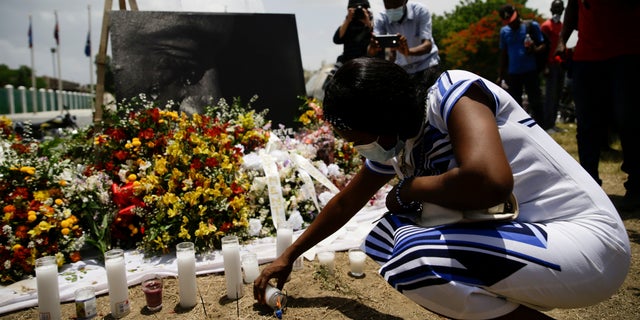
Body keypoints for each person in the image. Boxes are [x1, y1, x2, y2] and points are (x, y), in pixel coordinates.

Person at [253, 57, 630, 319]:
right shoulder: (401, 144)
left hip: (589, 243)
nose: (358, 148)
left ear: (385, 120)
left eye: (358, 138)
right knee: (385, 238)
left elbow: (490, 181)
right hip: (533, 239)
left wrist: (412, 189)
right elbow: (347, 201)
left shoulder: (453, 93)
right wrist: (289, 255)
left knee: (415, 256)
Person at [557, 0, 640, 211]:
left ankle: (636, 186)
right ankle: (589, 186)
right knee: (586, 124)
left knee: (627, 120)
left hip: (626, 53)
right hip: (587, 56)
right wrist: (562, 40)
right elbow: (573, 8)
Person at [369, 0, 440, 89]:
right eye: (387, 4)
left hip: (427, 66)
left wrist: (408, 51)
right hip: (403, 70)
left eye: (395, 3)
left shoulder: (421, 11)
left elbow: (427, 45)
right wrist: (373, 47)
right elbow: (372, 50)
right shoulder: (381, 18)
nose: (392, 8)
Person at [497, 4, 547, 130]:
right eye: (508, 22)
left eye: (512, 21)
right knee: (515, 103)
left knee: (535, 101)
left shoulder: (531, 26)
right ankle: (520, 129)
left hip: (530, 71)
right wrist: (501, 75)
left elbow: (543, 45)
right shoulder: (504, 31)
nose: (511, 24)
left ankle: (541, 127)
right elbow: (504, 54)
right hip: (514, 73)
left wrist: (534, 49)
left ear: (517, 14)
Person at [540, 0, 565, 133]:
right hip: (550, 64)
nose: (558, 11)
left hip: (560, 64)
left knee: (557, 95)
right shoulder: (546, 26)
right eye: (555, 8)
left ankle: (553, 123)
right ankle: (547, 124)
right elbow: (543, 49)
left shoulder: (562, 26)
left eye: (560, 8)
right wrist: (545, 66)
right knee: (550, 95)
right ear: (551, 9)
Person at [333, 0, 374, 65]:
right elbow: (337, 40)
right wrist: (348, 20)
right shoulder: (348, 24)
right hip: (348, 61)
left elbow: (377, 36)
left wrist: (367, 22)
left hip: (367, 60)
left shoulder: (372, 23)